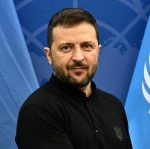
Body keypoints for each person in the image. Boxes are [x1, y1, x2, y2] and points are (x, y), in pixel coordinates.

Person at [15, 8, 132, 149]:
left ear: (98, 51)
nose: (78, 57)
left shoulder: (114, 106)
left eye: (87, 46)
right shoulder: (38, 111)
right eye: (66, 48)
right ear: (49, 55)